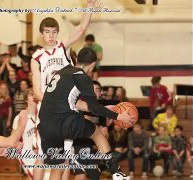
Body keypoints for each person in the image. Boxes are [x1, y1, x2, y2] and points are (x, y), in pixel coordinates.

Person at [38, 47, 133, 180]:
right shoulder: (82, 77)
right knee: (97, 132)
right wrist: (119, 116)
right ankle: (115, 172)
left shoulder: (62, 72)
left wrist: (108, 108)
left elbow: (75, 103)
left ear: (77, 59)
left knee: (58, 166)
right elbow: (94, 108)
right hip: (64, 122)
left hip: (45, 125)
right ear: (93, 64)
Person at [31, 1, 96, 179]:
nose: (51, 36)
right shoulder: (36, 58)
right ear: (41, 34)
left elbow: (82, 27)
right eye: (47, 32)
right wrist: (52, 105)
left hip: (67, 109)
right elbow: (37, 90)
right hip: (48, 109)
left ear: (57, 33)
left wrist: (89, 5)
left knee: (64, 157)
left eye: (54, 32)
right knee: (42, 155)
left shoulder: (62, 47)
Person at [11, 88, 38, 179]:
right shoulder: (20, 117)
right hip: (27, 156)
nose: (34, 96)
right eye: (31, 95)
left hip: (42, 155)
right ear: (26, 99)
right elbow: (12, 139)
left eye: (35, 94)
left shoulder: (43, 116)